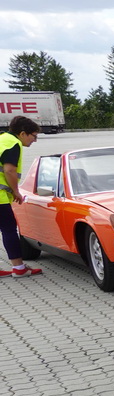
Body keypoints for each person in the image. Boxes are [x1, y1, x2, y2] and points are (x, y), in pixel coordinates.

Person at [0, 115, 43, 278]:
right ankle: (19, 268)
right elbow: (9, 170)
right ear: (23, 133)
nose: (35, 140)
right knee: (9, 229)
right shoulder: (13, 143)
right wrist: (16, 191)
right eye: (34, 136)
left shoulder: (2, 139)